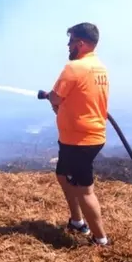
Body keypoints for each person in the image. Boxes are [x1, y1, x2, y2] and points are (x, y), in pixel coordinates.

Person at [40, 22, 110, 246]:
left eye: (71, 41)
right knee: (63, 175)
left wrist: (50, 97)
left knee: (85, 190)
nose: (68, 46)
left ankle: (100, 240)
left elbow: (56, 98)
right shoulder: (99, 67)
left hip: (81, 140)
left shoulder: (74, 68)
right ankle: (77, 222)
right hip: (83, 136)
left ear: (80, 44)